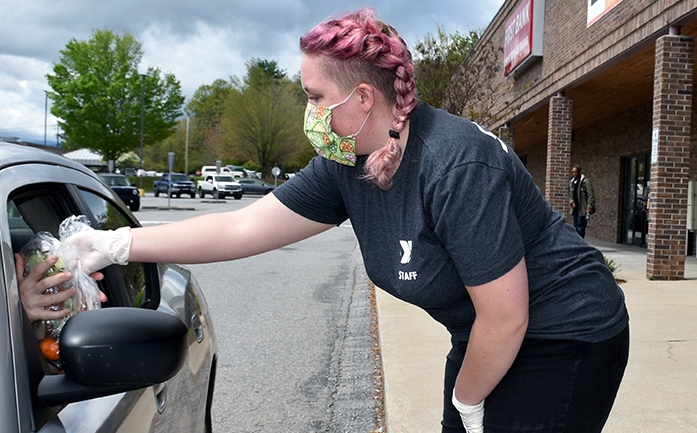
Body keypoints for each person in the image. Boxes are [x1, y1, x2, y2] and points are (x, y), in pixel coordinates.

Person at [64, 8, 629, 432]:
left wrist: (467, 400)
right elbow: (242, 228)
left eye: (314, 96)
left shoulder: (455, 165)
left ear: (362, 98)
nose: (307, 112)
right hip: (485, 333)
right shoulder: (346, 162)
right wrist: (115, 245)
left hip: (565, 332)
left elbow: (506, 319)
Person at [569, 163, 595, 238]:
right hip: (575, 209)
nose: (574, 174)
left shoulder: (585, 182)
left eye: (575, 172)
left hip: (583, 209)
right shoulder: (572, 182)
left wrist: (589, 206)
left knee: (580, 226)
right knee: (576, 226)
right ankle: (578, 242)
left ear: (579, 171)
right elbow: (570, 195)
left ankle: (580, 243)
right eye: (573, 172)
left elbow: (591, 195)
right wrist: (572, 202)